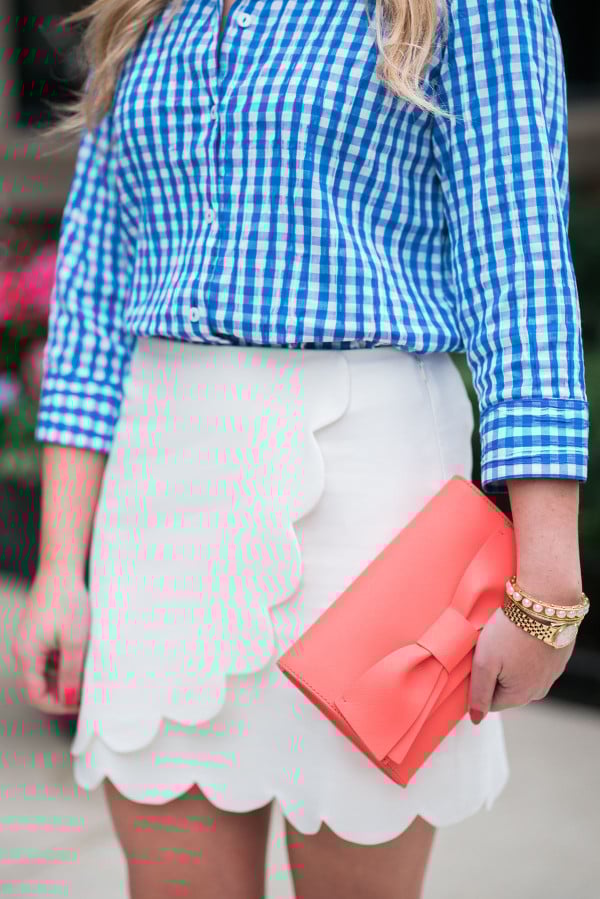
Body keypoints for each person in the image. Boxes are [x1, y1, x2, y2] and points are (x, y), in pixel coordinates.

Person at [12, 0, 589, 897]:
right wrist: (59, 566)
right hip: (164, 497)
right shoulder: (147, 14)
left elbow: (519, 272)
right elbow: (92, 298)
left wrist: (548, 582)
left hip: (375, 499)